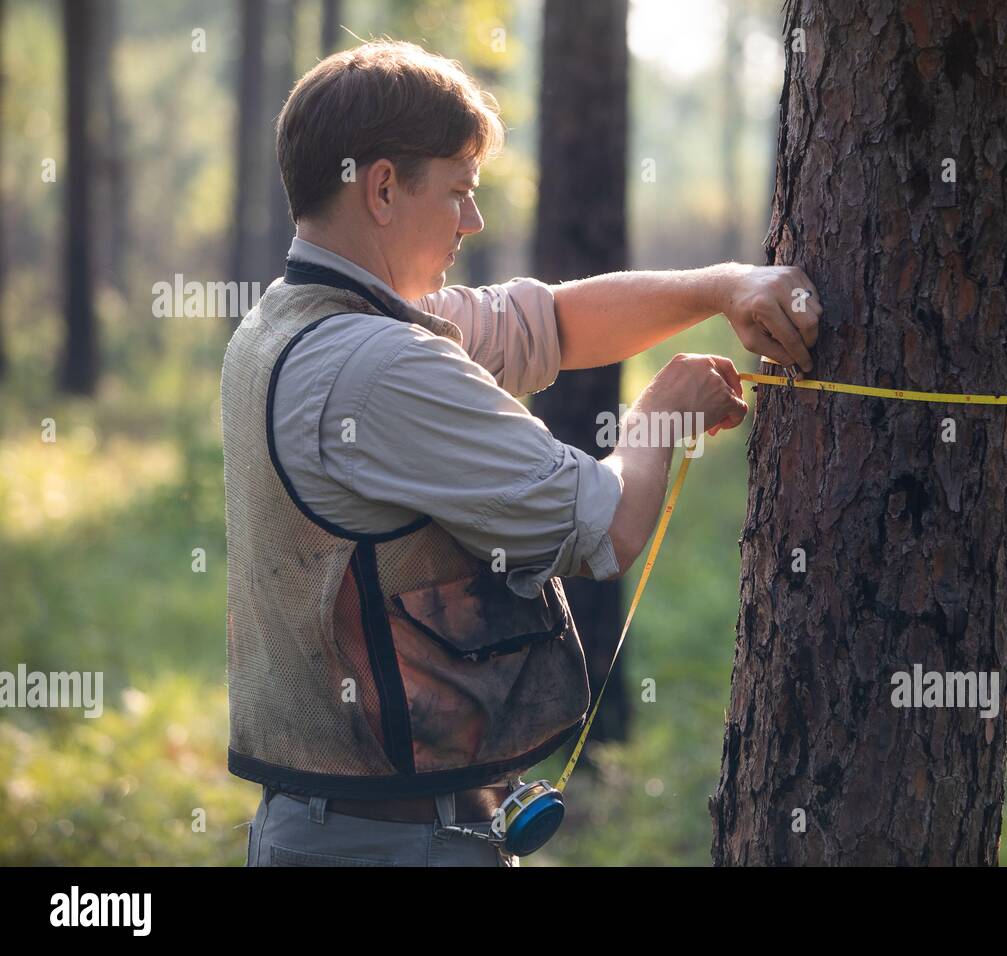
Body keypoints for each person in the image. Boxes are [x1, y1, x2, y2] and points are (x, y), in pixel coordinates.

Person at [223, 40, 821, 867]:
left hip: (333, 823)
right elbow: (602, 527)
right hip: (395, 840)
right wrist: (661, 415)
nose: (472, 221)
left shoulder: (291, 321)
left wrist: (722, 287)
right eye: (460, 193)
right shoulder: (378, 367)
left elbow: (554, 324)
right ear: (384, 187)